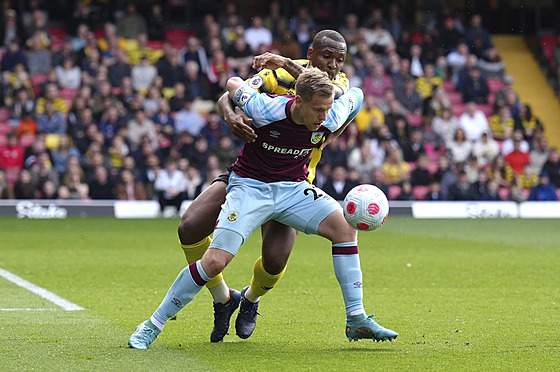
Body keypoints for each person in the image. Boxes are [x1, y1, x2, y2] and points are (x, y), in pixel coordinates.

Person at [129, 68, 397, 349]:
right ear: (299, 102)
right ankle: (152, 324)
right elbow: (232, 84)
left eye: (327, 109)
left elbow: (358, 94)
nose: (323, 117)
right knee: (214, 262)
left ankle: (356, 319)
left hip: (292, 188)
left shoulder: (331, 113)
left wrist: (338, 105)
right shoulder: (264, 107)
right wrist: (233, 116)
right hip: (249, 187)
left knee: (344, 228)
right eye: (318, 110)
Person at [175, 30, 352, 343]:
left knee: (274, 261)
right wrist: (231, 118)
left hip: (294, 184)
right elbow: (228, 95)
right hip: (250, 174)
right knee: (189, 227)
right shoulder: (278, 75)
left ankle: (250, 300)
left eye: (340, 59)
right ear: (311, 53)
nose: (334, 65)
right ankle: (223, 298)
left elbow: (320, 91)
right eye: (327, 57)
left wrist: (284, 61)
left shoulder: (338, 85)